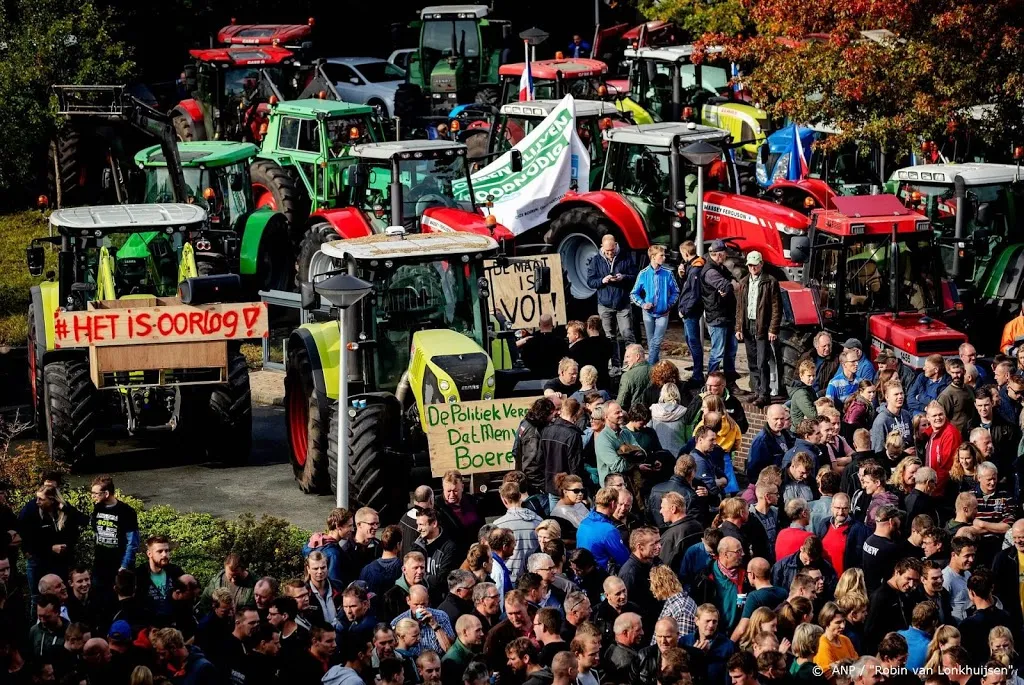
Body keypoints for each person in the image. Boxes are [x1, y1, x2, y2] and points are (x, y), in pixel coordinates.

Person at [735, 250, 782, 405]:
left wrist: (773, 329)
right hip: (748, 325)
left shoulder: (770, 281)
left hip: (763, 326)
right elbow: (740, 307)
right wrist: (739, 328)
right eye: (750, 265)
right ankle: (756, 390)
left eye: (755, 265)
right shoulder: (743, 282)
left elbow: (776, 307)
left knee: (762, 361)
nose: (753, 268)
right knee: (752, 361)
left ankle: (764, 393)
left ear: (761, 264)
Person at [587, 234, 637, 366]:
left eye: (612, 250)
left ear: (616, 245)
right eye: (607, 251)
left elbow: (635, 275)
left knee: (627, 334)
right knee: (609, 337)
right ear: (602, 247)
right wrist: (602, 280)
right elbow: (590, 281)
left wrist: (623, 277)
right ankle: (615, 365)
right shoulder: (596, 260)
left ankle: (631, 364)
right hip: (605, 304)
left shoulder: (625, 257)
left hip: (622, 303)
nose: (610, 253)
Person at [88, 476, 139, 601]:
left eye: (95, 493)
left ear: (106, 493)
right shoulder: (98, 507)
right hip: (100, 565)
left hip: (119, 566)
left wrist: (125, 566)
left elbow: (132, 541)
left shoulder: (126, 511)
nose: (92, 496)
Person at [630, 245, 679, 365]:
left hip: (663, 313)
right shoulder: (643, 274)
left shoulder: (668, 273)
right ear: (653, 257)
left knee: (656, 342)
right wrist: (643, 304)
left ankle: (649, 368)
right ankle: (655, 370)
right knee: (652, 341)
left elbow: (676, 291)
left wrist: (668, 304)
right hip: (648, 313)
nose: (664, 258)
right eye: (661, 255)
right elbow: (633, 293)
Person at [863, 558, 921, 654]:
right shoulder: (880, 597)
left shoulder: (905, 593)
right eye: (908, 579)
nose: (911, 584)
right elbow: (869, 632)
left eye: (915, 581)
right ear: (897, 572)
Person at [701, 240, 740, 382]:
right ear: (718, 255)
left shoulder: (720, 267)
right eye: (724, 254)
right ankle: (711, 381)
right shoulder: (711, 271)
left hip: (727, 316)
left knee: (731, 351)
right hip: (717, 317)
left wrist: (730, 285)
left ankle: (730, 380)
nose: (725, 256)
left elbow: (733, 280)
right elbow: (728, 285)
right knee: (718, 352)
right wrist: (730, 286)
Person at [540, 399, 584, 511]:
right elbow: (575, 465)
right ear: (576, 414)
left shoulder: (546, 430)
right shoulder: (573, 434)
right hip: (567, 487)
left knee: (556, 520)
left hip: (551, 483)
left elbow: (540, 458)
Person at [677, 240, 706, 387]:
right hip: (689, 310)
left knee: (694, 343)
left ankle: (698, 375)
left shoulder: (695, 269)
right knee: (690, 341)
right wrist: (682, 275)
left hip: (690, 312)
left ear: (685, 253)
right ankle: (696, 370)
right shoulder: (691, 267)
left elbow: (694, 294)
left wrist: (684, 310)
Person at [861, 503, 907, 592]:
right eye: (898, 518)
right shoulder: (890, 548)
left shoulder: (868, 541)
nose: (899, 521)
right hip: (883, 593)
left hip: (869, 591)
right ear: (891, 521)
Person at [515, 398, 556, 498]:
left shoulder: (525, 423)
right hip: (535, 485)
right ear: (544, 414)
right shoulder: (533, 433)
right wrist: (542, 485)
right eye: (551, 414)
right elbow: (531, 464)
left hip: (527, 478)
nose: (553, 417)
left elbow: (515, 450)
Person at [746, 404, 795, 483]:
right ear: (768, 418)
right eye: (776, 419)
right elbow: (753, 470)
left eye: (782, 419)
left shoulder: (786, 435)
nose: (779, 422)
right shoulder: (761, 441)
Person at [923, 401, 962, 497]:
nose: (938, 418)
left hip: (943, 490)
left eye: (941, 414)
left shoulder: (950, 434)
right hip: (932, 485)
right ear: (928, 418)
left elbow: (947, 468)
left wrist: (933, 490)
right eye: (934, 416)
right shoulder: (929, 434)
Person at [517, 314, 569, 379]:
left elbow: (525, 359)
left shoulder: (530, 342)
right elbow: (566, 360)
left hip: (535, 377)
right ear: (552, 325)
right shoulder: (561, 342)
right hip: (555, 377)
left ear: (539, 324)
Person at [814, 602, 858, 674]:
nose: (843, 626)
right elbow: (827, 673)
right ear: (826, 622)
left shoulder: (845, 639)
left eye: (844, 621)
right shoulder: (823, 645)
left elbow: (857, 662)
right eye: (838, 622)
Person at [939, 358, 979, 436]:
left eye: (958, 372)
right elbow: (941, 420)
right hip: (956, 436)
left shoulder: (970, 389)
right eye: (953, 373)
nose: (955, 376)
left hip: (972, 433)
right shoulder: (946, 395)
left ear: (964, 372)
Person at [872, 382, 915, 455]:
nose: (900, 396)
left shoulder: (906, 414)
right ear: (887, 397)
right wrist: (903, 453)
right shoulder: (881, 421)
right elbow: (878, 452)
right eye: (896, 394)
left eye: (901, 393)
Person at [441, 614, 485, 685]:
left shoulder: (475, 648)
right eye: (478, 630)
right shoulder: (451, 660)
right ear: (465, 632)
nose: (482, 633)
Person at [943, 536, 976, 622]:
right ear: (954, 555)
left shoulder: (968, 574)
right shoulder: (946, 579)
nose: (971, 560)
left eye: (973, 555)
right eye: (967, 556)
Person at [616, 344, 652, 413]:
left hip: (635, 416)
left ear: (637, 356)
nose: (625, 360)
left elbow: (620, 403)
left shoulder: (627, 376)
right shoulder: (656, 371)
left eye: (628, 357)